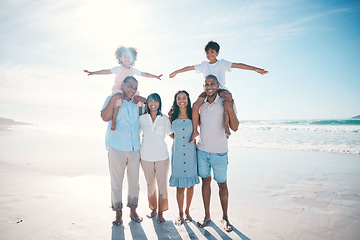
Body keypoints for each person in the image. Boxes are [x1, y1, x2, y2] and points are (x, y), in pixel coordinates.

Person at [169, 40, 267, 141]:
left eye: (212, 52)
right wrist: (176, 72)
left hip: (220, 89)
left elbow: (238, 65)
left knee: (228, 97)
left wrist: (255, 69)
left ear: (217, 53)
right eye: (207, 52)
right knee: (195, 105)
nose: (210, 54)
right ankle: (195, 131)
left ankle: (226, 125)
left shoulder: (222, 63)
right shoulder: (204, 65)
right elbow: (189, 68)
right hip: (208, 90)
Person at [196, 75, 239, 232]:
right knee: (205, 183)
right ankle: (207, 215)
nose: (209, 87)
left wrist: (230, 109)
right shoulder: (201, 104)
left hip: (220, 151)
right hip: (202, 151)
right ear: (204, 86)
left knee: (222, 184)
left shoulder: (225, 102)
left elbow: (235, 127)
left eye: (212, 84)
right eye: (206, 84)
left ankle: (225, 217)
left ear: (218, 84)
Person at [101, 76, 146, 226]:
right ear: (123, 85)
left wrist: (144, 100)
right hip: (117, 148)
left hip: (134, 149)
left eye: (135, 87)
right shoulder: (113, 98)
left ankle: (133, 210)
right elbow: (104, 117)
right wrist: (114, 97)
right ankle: (118, 213)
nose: (132, 90)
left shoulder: (137, 102)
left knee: (134, 183)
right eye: (130, 86)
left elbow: (152, 112)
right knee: (116, 183)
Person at [85, 45, 162, 131]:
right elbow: (106, 71)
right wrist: (93, 72)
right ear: (120, 58)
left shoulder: (133, 70)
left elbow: (144, 74)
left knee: (139, 100)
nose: (127, 59)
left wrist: (155, 76)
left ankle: (140, 124)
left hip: (131, 91)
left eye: (129, 57)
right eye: (124, 57)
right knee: (118, 99)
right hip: (119, 89)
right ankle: (114, 120)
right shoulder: (118, 69)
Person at [139, 93, 172, 224]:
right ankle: (153, 208)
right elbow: (134, 133)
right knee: (150, 185)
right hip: (145, 157)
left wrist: (188, 141)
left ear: (159, 103)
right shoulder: (141, 119)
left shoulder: (164, 118)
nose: (153, 103)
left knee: (162, 185)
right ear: (147, 103)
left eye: (156, 101)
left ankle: (161, 212)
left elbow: (171, 134)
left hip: (162, 157)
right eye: (151, 101)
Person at [168, 90, 200, 226]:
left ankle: (187, 212)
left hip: (191, 151)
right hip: (178, 152)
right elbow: (170, 132)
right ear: (176, 101)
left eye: (184, 98)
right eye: (179, 98)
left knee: (190, 185)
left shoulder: (194, 114)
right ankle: (180, 213)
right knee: (180, 186)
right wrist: (178, 140)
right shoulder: (172, 116)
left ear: (188, 99)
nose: (182, 100)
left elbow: (199, 130)